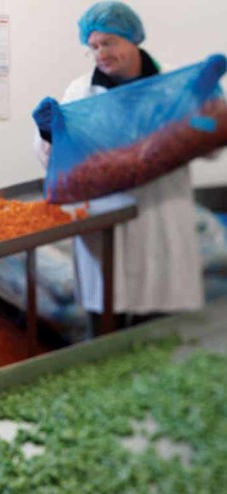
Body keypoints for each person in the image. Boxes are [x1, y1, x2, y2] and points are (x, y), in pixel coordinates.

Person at [33, 1, 203, 337]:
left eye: (107, 43)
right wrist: (48, 133)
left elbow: (204, 139)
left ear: (133, 39)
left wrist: (207, 105)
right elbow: (56, 162)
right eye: (93, 47)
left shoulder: (173, 84)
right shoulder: (80, 92)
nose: (100, 54)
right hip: (104, 219)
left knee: (157, 329)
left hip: (160, 215)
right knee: (105, 323)